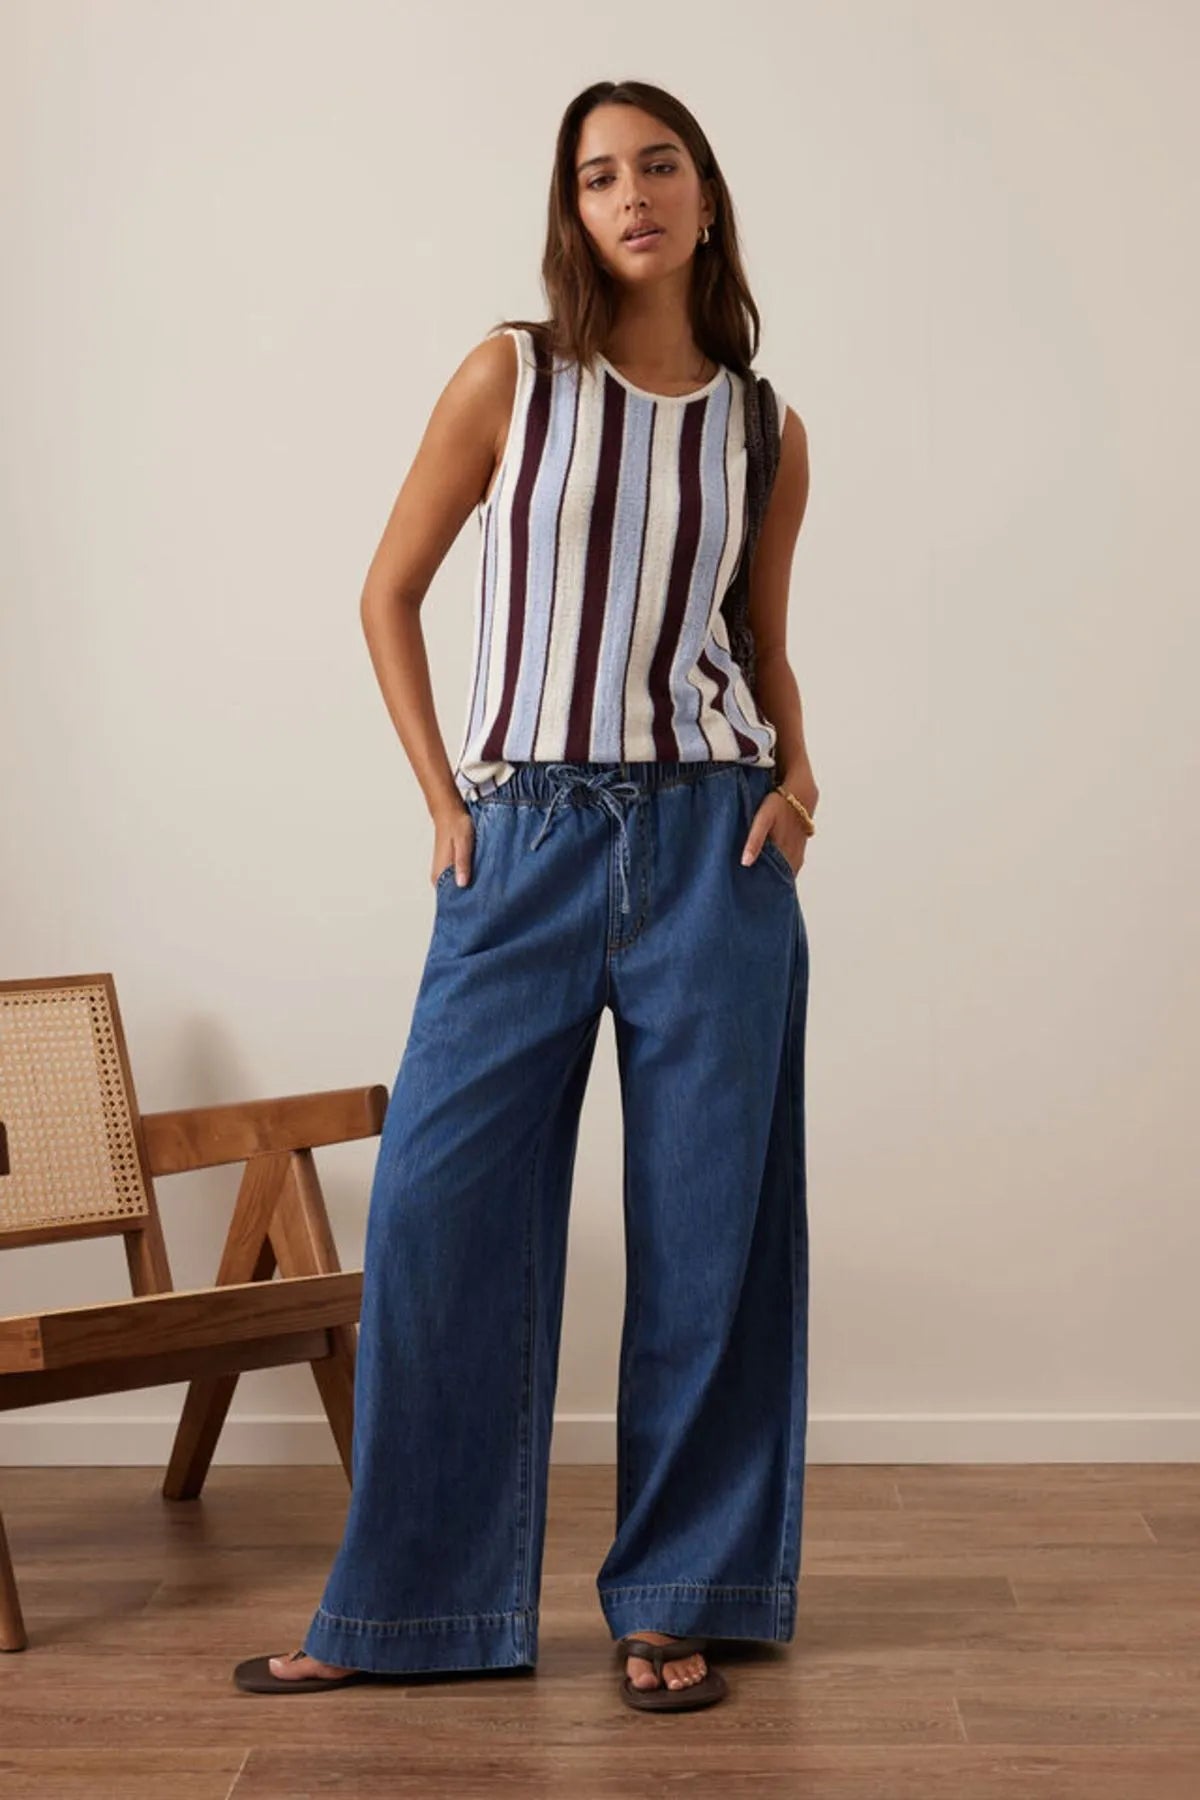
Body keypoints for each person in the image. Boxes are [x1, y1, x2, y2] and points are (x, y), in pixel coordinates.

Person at [234, 76, 817, 1715]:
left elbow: (763, 643)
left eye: (658, 165)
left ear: (705, 194)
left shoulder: (765, 428)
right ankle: (406, 1610)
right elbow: (389, 593)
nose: (631, 195)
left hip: (716, 844)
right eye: (598, 176)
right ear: (571, 211)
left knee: (710, 1229)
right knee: (439, 1216)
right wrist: (444, 801)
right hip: (525, 841)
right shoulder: (515, 375)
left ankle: (680, 1596)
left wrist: (800, 782)